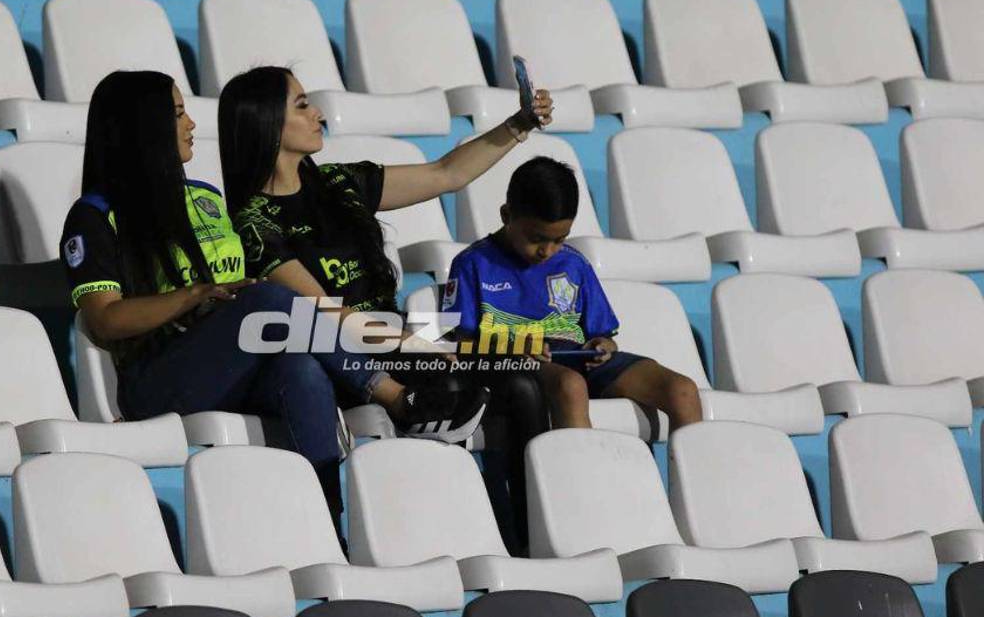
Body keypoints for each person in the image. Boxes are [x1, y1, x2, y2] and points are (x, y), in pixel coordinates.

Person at [58, 70, 481, 525]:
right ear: (145, 128)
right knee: (267, 299)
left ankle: (326, 520)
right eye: (178, 114)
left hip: (232, 362)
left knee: (299, 369)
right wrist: (192, 296)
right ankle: (395, 396)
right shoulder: (94, 217)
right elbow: (105, 319)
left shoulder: (205, 200)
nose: (191, 124)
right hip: (158, 380)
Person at [218, 66, 555, 543]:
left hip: (395, 335)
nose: (318, 114)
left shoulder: (340, 184)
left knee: (521, 384)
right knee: (454, 379)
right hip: (346, 356)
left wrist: (518, 126)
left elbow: (447, 173)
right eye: (302, 105)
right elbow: (332, 316)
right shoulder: (252, 223)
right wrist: (425, 347)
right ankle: (436, 537)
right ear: (267, 122)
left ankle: (529, 540)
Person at [443, 156, 703, 433]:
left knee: (683, 390)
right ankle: (584, 462)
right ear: (506, 215)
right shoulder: (471, 264)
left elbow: (603, 337)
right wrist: (515, 346)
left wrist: (604, 346)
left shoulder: (574, 263)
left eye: (559, 239)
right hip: (517, 365)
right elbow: (460, 344)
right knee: (571, 386)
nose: (547, 251)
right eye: (536, 239)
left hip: (581, 361)